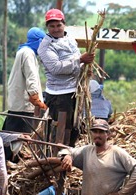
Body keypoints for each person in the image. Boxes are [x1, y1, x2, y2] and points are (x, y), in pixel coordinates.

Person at [38, 8, 95, 147]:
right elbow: (56, 68)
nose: (56, 29)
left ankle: (68, 157)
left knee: (74, 127)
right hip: (59, 94)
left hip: (75, 91)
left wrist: (84, 69)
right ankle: (58, 160)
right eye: (52, 26)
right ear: (47, 27)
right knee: (61, 130)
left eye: (58, 25)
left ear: (64, 24)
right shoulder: (45, 47)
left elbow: (77, 61)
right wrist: (80, 60)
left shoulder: (70, 39)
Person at [2, 27, 47, 162]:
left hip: (17, 105)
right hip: (24, 108)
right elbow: (31, 77)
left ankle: (8, 162)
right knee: (19, 140)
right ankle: (12, 164)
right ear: (38, 41)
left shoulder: (23, 51)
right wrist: (36, 98)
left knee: (10, 136)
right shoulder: (28, 53)